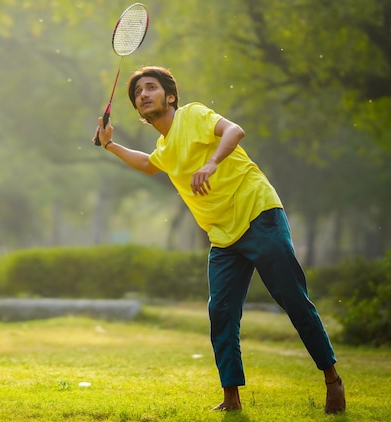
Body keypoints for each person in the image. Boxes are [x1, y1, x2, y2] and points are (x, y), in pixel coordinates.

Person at [92, 66, 346, 414]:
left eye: (151, 88)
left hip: (258, 213)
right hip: (224, 237)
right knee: (221, 313)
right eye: (137, 93)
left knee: (292, 298)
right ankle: (231, 399)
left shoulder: (193, 115)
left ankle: (332, 378)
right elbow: (151, 164)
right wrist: (109, 145)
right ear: (137, 109)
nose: (143, 95)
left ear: (170, 96)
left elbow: (234, 131)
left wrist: (212, 162)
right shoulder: (165, 146)